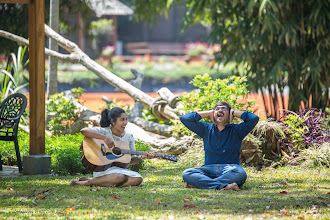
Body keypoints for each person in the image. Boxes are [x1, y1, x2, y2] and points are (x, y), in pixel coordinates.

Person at [180, 101, 259, 190]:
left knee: (240, 174)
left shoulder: (237, 130)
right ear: (213, 114)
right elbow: (185, 119)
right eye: (217, 109)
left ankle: (204, 184)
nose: (220, 110)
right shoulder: (205, 129)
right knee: (187, 173)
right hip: (208, 169)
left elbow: (254, 118)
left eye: (224, 109)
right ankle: (224, 186)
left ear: (229, 114)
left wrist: (234, 112)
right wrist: (207, 113)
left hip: (230, 168)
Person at [70, 107, 156, 187]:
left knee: (138, 179)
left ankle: (99, 182)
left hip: (119, 170)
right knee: (119, 177)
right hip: (103, 169)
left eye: (126, 119)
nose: (125, 123)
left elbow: (131, 161)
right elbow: (84, 131)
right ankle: (86, 183)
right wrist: (105, 138)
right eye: (122, 120)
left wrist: (142, 157)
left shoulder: (129, 137)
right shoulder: (104, 131)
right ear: (113, 121)